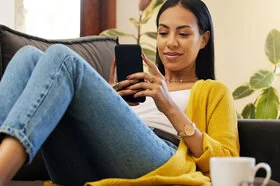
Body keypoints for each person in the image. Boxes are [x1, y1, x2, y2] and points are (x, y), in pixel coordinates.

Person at [0, 0, 239, 185]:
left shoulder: (214, 91)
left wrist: (170, 108)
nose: (171, 43)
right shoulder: (141, 82)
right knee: (27, 56)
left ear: (204, 39)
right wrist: (110, 101)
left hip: (163, 159)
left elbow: (227, 162)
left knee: (61, 57)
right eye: (163, 33)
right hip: (95, 163)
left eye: (183, 34)